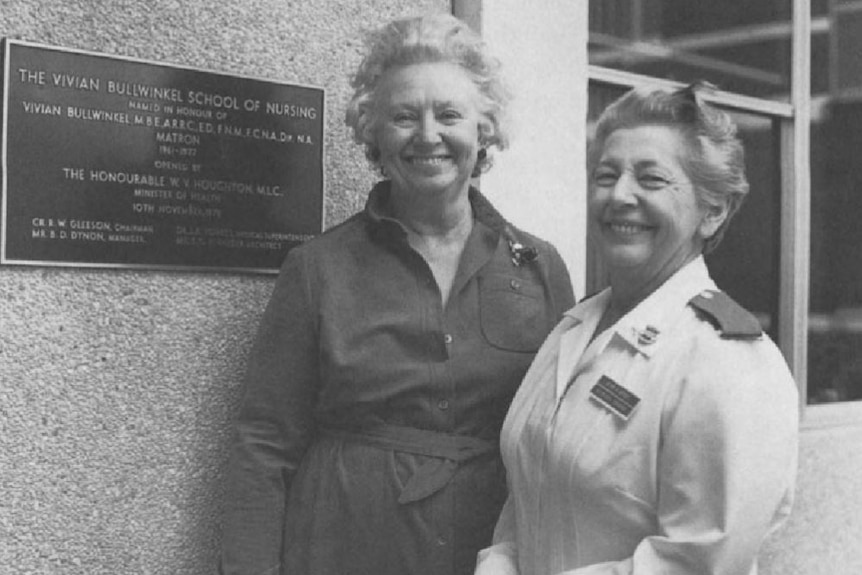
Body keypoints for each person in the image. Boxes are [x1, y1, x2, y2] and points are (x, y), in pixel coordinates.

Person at [219, 13, 575, 575]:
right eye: (404, 116)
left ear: (483, 130)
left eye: (450, 115)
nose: (428, 135)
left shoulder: (539, 268)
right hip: (344, 547)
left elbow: (564, 439)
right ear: (373, 133)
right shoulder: (318, 269)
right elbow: (264, 445)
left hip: (492, 552)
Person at [475, 83, 799, 575]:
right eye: (606, 176)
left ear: (712, 212)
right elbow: (529, 494)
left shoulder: (728, 362)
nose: (619, 195)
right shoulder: (572, 330)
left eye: (651, 179)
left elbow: (698, 563)